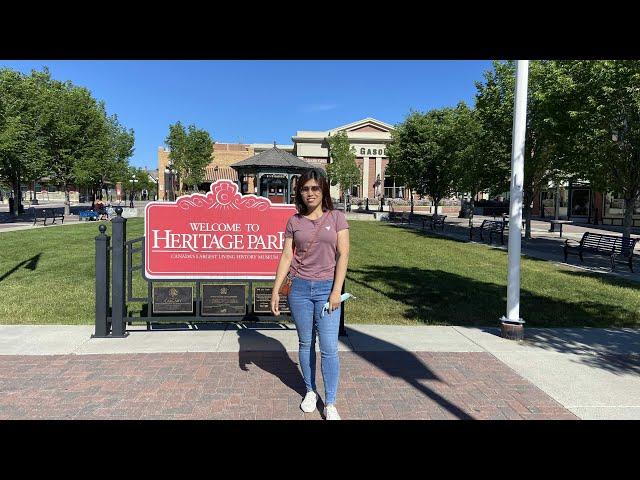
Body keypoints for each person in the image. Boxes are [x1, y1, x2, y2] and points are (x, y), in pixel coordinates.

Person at [271, 168, 350, 420]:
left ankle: (331, 402)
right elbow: (286, 256)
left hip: (328, 289)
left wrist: (337, 291)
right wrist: (275, 290)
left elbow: (343, 254)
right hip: (300, 290)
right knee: (306, 343)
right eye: (305, 189)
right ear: (300, 192)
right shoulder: (294, 221)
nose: (310, 193)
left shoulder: (336, 218)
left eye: (315, 188)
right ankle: (310, 391)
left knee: (329, 348)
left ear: (323, 190)